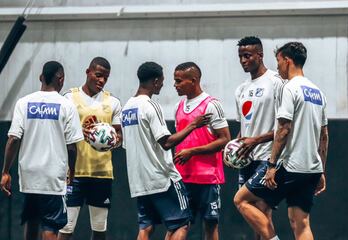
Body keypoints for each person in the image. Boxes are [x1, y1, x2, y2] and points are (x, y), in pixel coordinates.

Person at [233, 42, 329, 240]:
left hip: (290, 166)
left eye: (278, 61)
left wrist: (271, 165)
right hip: (311, 169)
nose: (277, 66)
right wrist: (321, 170)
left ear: (287, 60)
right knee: (300, 223)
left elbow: (283, 129)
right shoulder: (318, 92)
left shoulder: (289, 88)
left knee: (241, 200)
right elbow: (324, 136)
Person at [121, 61, 211, 240]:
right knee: (182, 223)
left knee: (146, 228)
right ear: (155, 81)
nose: (164, 84)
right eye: (162, 80)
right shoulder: (150, 106)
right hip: (162, 179)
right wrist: (194, 124)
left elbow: (127, 145)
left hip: (139, 182)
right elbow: (167, 142)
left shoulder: (126, 108)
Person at [0, 61, 83, 240]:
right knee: (51, 227)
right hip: (52, 177)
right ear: (61, 80)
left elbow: (13, 139)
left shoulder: (23, 103)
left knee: (32, 221)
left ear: (41, 77)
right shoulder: (67, 106)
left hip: (29, 176)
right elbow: (72, 147)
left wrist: (6, 171)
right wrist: (72, 170)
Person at [58, 57, 122, 240]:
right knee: (66, 227)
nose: (101, 80)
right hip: (73, 173)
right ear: (88, 72)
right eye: (98, 75)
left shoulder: (113, 102)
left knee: (100, 228)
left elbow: (119, 136)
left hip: (101, 173)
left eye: (105, 78)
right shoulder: (69, 98)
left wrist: (112, 140)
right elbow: (59, 131)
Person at [173, 62, 230, 240]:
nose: (175, 85)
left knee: (210, 225)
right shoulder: (178, 107)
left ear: (194, 80)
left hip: (208, 178)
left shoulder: (212, 105)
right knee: (179, 224)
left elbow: (225, 139)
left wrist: (192, 152)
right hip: (183, 177)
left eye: (179, 81)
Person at [234, 36, 285, 240]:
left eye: (247, 55)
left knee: (261, 209)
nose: (243, 60)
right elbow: (243, 128)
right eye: (240, 56)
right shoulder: (241, 90)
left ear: (260, 55)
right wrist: (233, 150)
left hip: (268, 157)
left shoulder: (276, 82)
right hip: (247, 159)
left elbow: (285, 126)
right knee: (255, 216)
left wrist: (255, 140)